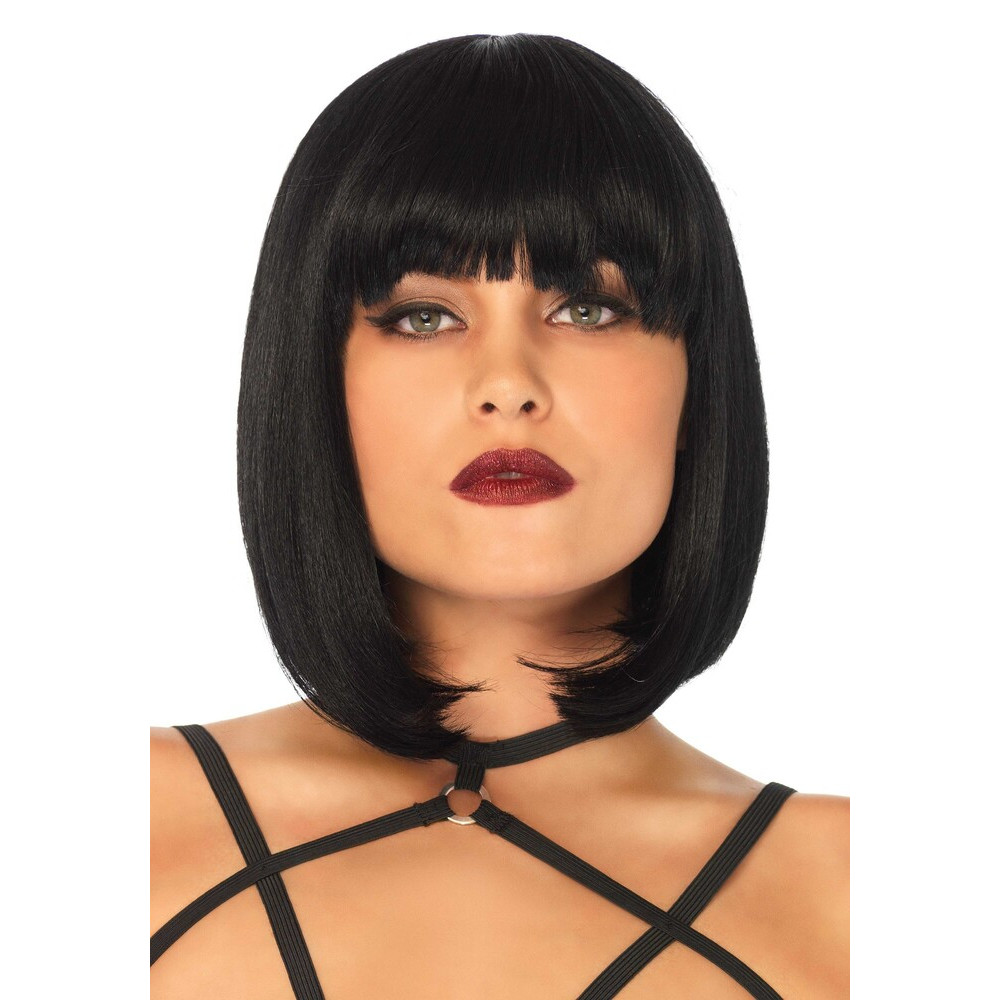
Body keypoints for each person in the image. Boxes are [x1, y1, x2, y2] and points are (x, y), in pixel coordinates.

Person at [150, 32, 849, 999]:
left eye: (588, 310)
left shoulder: (855, 894)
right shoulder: (107, 823)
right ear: (315, 383)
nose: (509, 385)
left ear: (698, 385)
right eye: (423, 317)